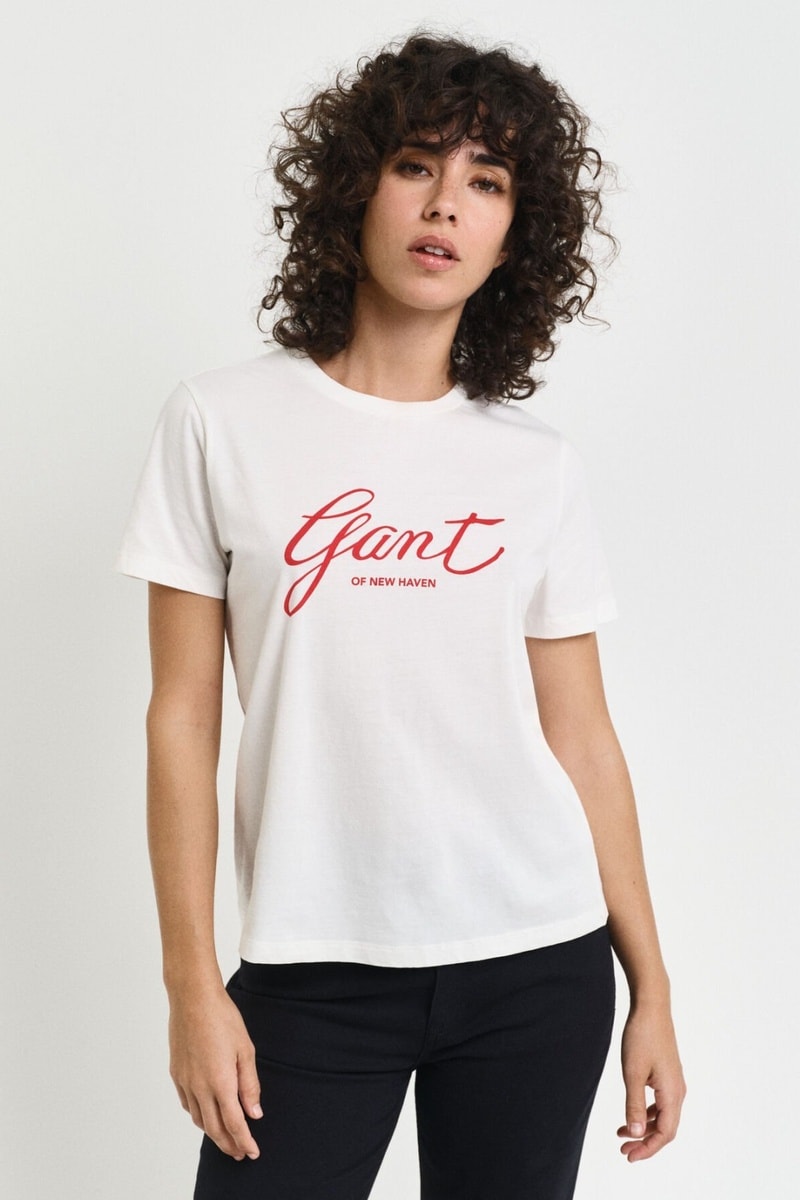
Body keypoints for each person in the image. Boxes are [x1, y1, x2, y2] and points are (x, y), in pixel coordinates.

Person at [117, 31, 686, 1200]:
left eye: (487, 182)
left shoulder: (533, 464)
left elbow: (581, 736)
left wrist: (652, 990)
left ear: (514, 237)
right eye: (416, 164)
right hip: (310, 967)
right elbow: (182, 718)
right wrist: (191, 985)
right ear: (354, 188)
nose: (444, 205)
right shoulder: (219, 423)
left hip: (536, 962)